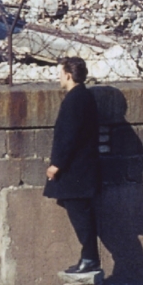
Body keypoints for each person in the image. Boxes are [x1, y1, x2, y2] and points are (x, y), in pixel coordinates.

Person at [43, 57, 101, 274]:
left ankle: (90, 258)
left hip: (75, 169)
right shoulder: (83, 96)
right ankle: (89, 257)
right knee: (81, 213)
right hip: (82, 168)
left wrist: (56, 164)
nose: (59, 78)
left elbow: (68, 136)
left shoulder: (74, 99)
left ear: (68, 75)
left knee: (81, 215)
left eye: (60, 74)